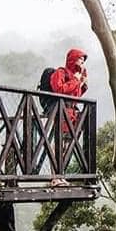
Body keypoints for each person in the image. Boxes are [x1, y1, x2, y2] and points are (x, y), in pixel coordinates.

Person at [49, 48, 88, 179]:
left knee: (67, 145)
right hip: (61, 113)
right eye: (80, 59)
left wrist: (82, 85)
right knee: (59, 144)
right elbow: (59, 90)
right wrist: (76, 81)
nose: (82, 62)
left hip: (72, 114)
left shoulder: (75, 76)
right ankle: (55, 177)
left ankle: (61, 175)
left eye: (83, 60)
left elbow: (74, 96)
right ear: (72, 59)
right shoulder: (60, 72)